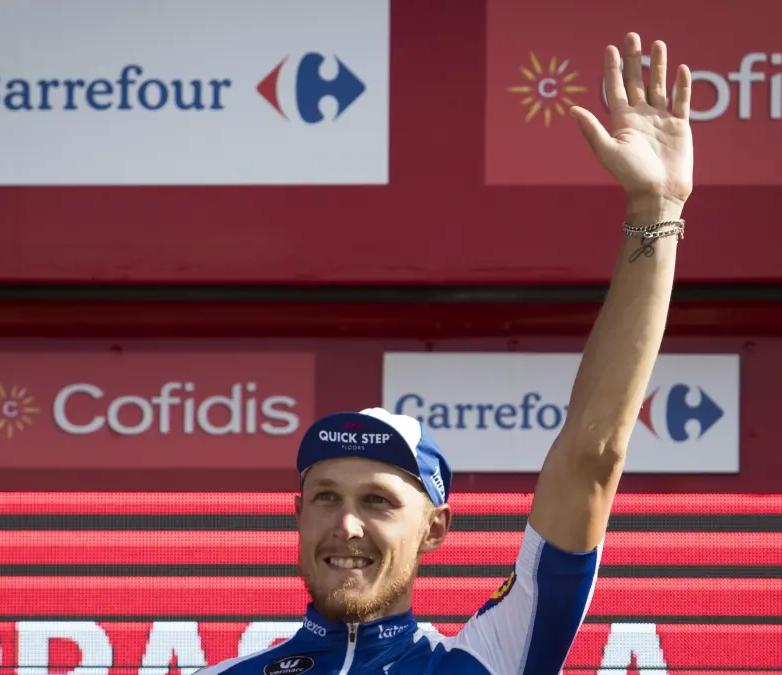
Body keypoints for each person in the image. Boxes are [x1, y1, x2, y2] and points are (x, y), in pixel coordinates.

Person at [199, 32, 694, 675]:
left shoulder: (487, 658)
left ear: (434, 529)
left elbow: (591, 456)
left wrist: (656, 207)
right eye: (325, 498)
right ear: (298, 516)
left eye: (378, 501)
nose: (346, 526)